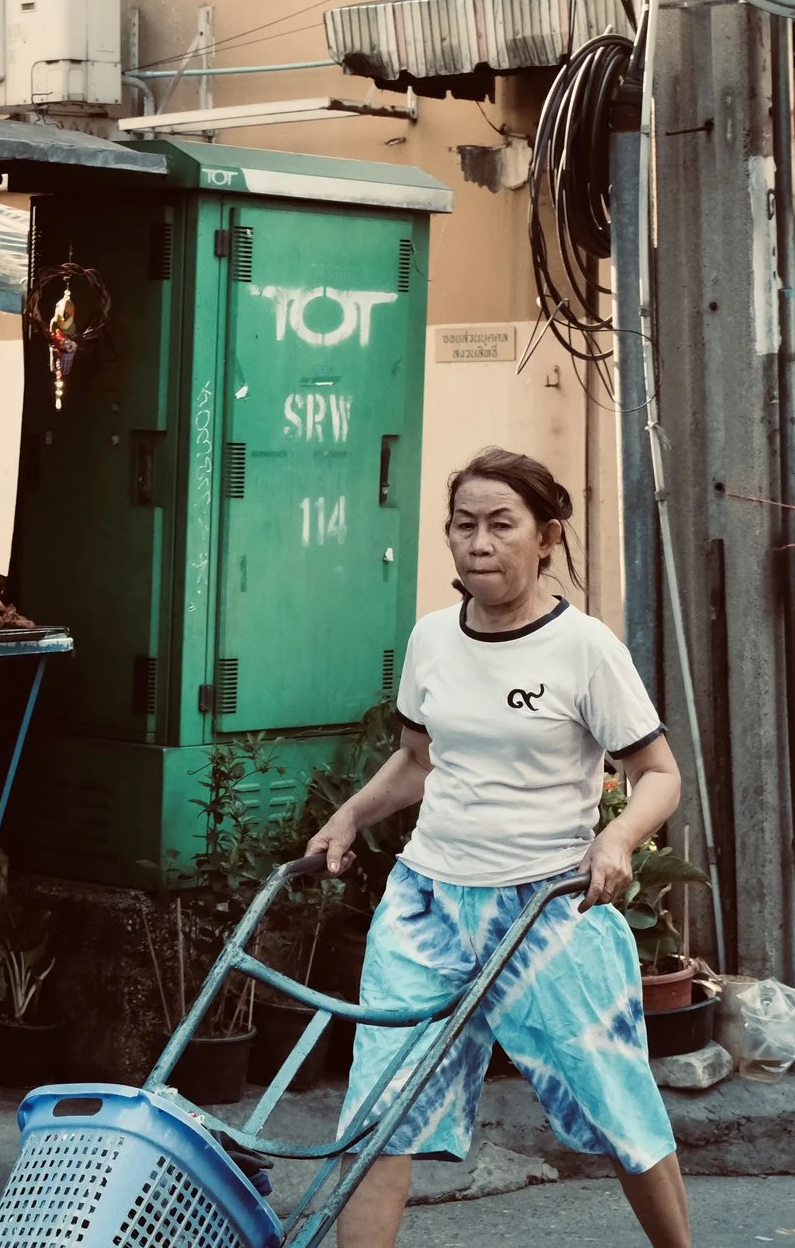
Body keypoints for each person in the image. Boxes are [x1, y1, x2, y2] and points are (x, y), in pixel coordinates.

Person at [308, 448, 690, 1248]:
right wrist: (351, 815)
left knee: (615, 1097)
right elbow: (419, 760)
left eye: (500, 524)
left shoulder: (584, 648)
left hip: (549, 903)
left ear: (545, 535)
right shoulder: (431, 640)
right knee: (380, 1108)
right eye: (463, 525)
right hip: (428, 901)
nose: (478, 543)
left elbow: (657, 773)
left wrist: (618, 836)